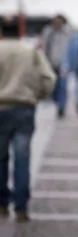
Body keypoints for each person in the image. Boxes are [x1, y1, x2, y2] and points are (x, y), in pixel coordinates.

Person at [0, 18, 56, 222]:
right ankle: (21, 206)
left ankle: (2, 204)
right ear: (20, 31)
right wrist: (38, 95)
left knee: (1, 158)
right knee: (22, 157)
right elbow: (49, 79)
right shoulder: (31, 51)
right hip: (24, 108)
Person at [39, 14, 73, 119]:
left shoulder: (68, 32)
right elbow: (43, 45)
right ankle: (55, 101)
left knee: (62, 85)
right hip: (50, 62)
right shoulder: (48, 31)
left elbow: (71, 47)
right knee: (52, 85)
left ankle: (61, 107)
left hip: (63, 63)